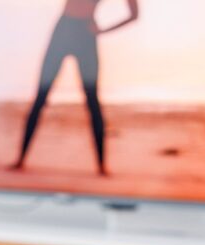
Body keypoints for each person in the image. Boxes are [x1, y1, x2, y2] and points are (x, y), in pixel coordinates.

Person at [10, 0, 139, 175]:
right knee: (41, 97)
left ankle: (101, 166)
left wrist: (102, 31)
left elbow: (133, 15)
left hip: (85, 33)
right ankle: (20, 160)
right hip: (64, 29)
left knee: (92, 100)